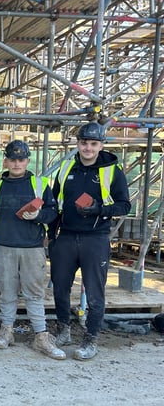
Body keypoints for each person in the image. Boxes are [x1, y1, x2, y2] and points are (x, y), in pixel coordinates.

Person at [49, 122, 130, 361]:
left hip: (95, 238)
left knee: (95, 292)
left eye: (93, 144)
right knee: (60, 287)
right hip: (65, 236)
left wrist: (99, 209)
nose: (88, 148)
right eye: (84, 143)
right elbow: (54, 203)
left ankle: (91, 338)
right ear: (78, 144)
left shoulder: (111, 170)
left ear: (101, 145)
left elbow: (125, 205)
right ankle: (63, 330)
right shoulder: (65, 168)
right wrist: (51, 236)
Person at [0, 140, 65, 360]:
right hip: (4, 246)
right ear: (5, 161)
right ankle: (6, 331)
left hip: (32, 247)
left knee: (34, 293)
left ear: (28, 161)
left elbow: (53, 213)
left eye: (20, 159)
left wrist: (39, 216)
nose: (16, 163)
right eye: (12, 159)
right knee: (7, 292)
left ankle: (41, 336)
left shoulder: (40, 184)